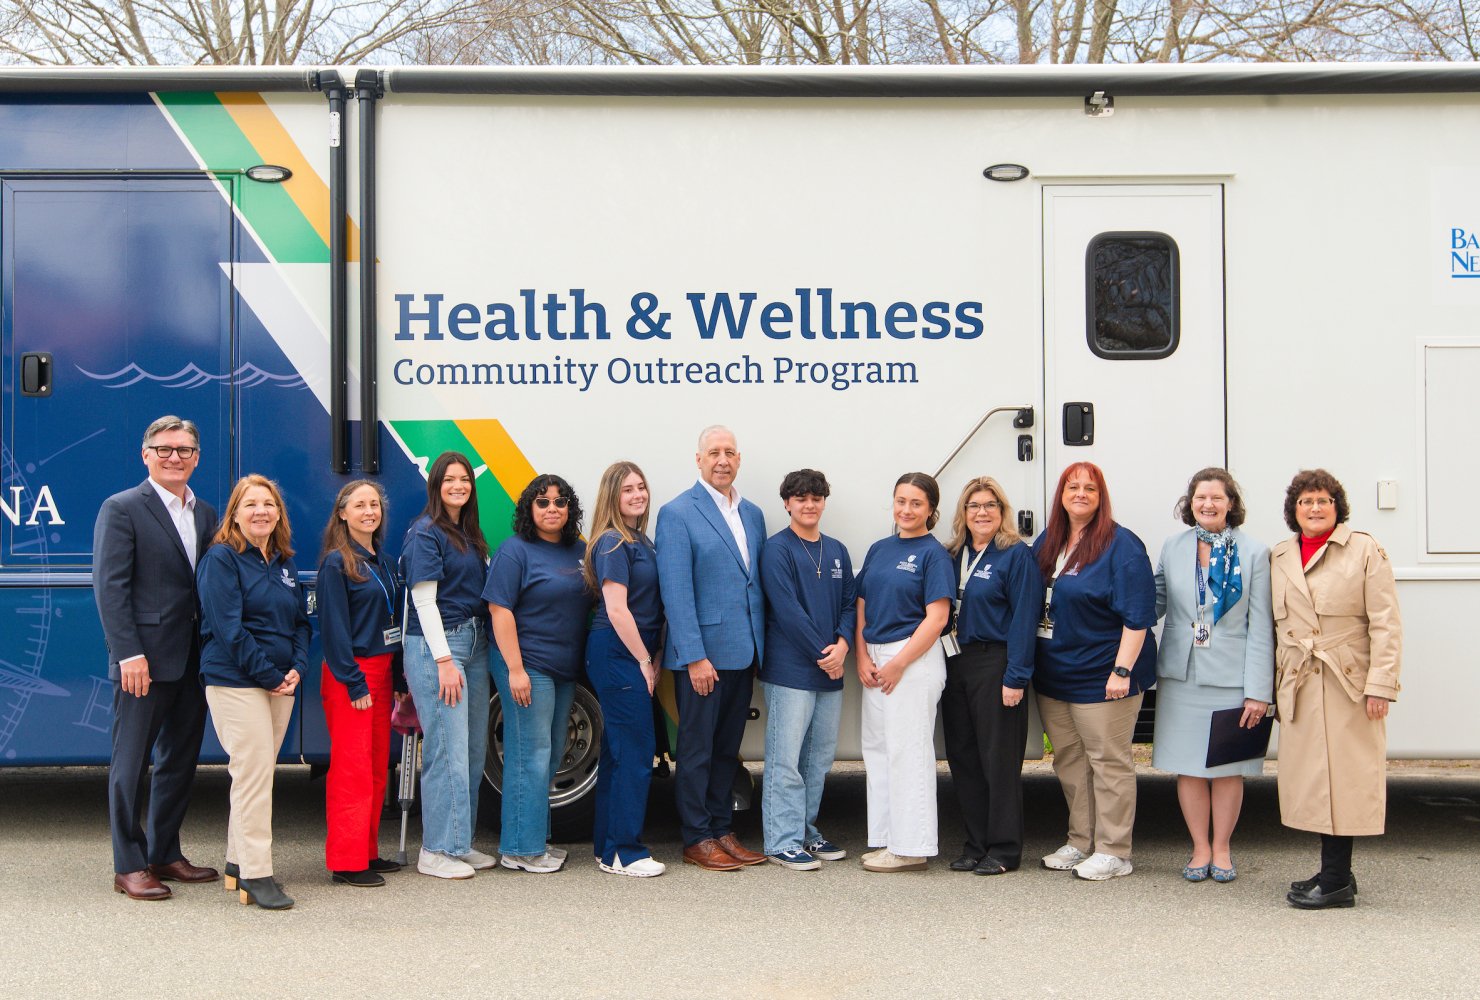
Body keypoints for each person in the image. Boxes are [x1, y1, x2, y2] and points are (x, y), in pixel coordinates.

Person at [93, 415, 220, 900]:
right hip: (142, 662)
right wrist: (128, 653)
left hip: (194, 660)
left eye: (184, 450)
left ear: (197, 457)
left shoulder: (205, 513)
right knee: (131, 762)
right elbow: (110, 588)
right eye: (164, 449)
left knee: (179, 760)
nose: (174, 457)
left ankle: (165, 852)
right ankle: (128, 864)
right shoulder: (122, 508)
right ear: (145, 455)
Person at [1272, 469, 1402, 910]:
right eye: (1305, 501)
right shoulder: (1280, 555)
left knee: (1344, 778)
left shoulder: (1365, 549)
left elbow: (1386, 623)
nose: (1313, 508)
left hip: (1348, 681)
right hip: (1302, 682)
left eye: (1322, 501)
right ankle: (1337, 872)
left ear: (1337, 507)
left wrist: (1380, 685)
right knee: (1314, 780)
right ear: (1294, 509)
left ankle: (1335, 883)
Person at [1032, 462, 1157, 881]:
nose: (1081, 494)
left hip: (1105, 675)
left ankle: (1114, 850)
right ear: (1061, 495)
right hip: (1056, 673)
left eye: (1090, 488)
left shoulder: (1121, 546)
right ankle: (1081, 841)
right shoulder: (1050, 540)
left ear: (1101, 496)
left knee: (1109, 762)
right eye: (1073, 487)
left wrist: (1122, 670)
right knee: (1069, 760)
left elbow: (1138, 616)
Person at [1152, 468, 1273, 884]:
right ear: (1190, 503)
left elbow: (1262, 626)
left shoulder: (1255, 552)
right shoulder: (1173, 546)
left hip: (1232, 675)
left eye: (1216, 498)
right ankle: (1199, 847)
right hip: (1181, 673)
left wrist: (1259, 691)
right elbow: (1155, 602)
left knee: (1227, 768)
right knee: (1188, 767)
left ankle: (1221, 848)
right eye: (1200, 498)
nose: (1208, 504)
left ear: (1231, 504)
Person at [655, 425, 768, 871]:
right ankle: (696, 836)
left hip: (743, 652)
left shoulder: (754, 514)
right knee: (698, 749)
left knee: (727, 749)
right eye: (714, 452)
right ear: (698, 459)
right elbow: (677, 592)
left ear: (739, 459)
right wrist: (695, 655)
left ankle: (722, 829)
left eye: (730, 452)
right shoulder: (678, 513)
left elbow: (751, 583)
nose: (722, 460)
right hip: (703, 657)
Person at [197, 475, 310, 910]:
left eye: (269, 504)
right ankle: (257, 875)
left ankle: (234, 864)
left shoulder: (283, 562)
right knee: (256, 776)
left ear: (279, 513)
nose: (261, 510)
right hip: (235, 680)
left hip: (280, 682)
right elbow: (228, 630)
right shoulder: (221, 559)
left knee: (250, 774)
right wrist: (269, 675)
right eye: (251, 504)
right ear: (235, 514)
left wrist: (296, 668)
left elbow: (300, 622)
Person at [483, 474, 592, 875]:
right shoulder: (515, 551)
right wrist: (515, 669)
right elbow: (500, 610)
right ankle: (520, 849)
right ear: (530, 508)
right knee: (530, 755)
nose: (552, 509)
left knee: (548, 754)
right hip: (526, 664)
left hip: (564, 667)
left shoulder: (579, 550)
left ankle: (534, 840)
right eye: (543, 502)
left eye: (560, 502)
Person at [941, 476, 1043, 876]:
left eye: (990, 505)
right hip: (955, 663)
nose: (981, 513)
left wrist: (1016, 676)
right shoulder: (953, 554)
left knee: (997, 761)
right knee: (964, 758)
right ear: (963, 513)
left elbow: (1025, 618)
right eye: (973, 506)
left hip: (996, 662)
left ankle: (1004, 849)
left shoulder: (1015, 555)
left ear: (1002, 512)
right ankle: (975, 844)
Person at [854, 472, 954, 873]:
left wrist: (898, 663)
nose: (906, 510)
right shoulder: (880, 548)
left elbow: (937, 617)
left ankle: (912, 847)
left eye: (915, 503)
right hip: (875, 658)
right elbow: (861, 604)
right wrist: (862, 656)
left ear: (931, 509)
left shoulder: (934, 554)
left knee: (908, 753)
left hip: (911, 660)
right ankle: (885, 839)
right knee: (878, 750)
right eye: (900, 501)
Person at [401, 451, 493, 880]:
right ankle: (436, 849)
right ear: (436, 485)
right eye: (450, 479)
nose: (459, 486)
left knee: (472, 751)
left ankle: (459, 840)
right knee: (446, 752)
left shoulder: (468, 533)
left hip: (473, 645)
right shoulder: (426, 533)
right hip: (440, 649)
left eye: (464, 480)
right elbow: (423, 599)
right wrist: (443, 659)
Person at [758, 469, 856, 870]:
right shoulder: (777, 550)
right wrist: (825, 653)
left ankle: (804, 831)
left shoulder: (836, 550)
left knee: (817, 760)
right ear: (787, 503)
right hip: (791, 671)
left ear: (824, 502)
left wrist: (844, 645)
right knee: (786, 759)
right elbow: (786, 611)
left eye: (816, 497)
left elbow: (851, 603)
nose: (809, 504)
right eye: (800, 498)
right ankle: (781, 840)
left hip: (830, 670)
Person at [317, 480, 403, 888]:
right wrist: (354, 684)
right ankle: (346, 862)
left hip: (382, 671)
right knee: (351, 769)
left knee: (374, 766)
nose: (369, 510)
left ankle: (366, 850)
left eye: (375, 504)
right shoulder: (337, 563)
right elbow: (333, 632)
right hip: (352, 673)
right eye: (360, 505)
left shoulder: (381, 561)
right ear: (342, 513)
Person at [584, 462, 666, 877]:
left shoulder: (640, 539)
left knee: (618, 753)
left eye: (641, 487)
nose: (637, 495)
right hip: (618, 652)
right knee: (635, 750)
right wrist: (643, 660)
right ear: (612, 497)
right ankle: (625, 852)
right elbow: (617, 609)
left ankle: (607, 848)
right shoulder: (615, 542)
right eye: (627, 490)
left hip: (626, 652)